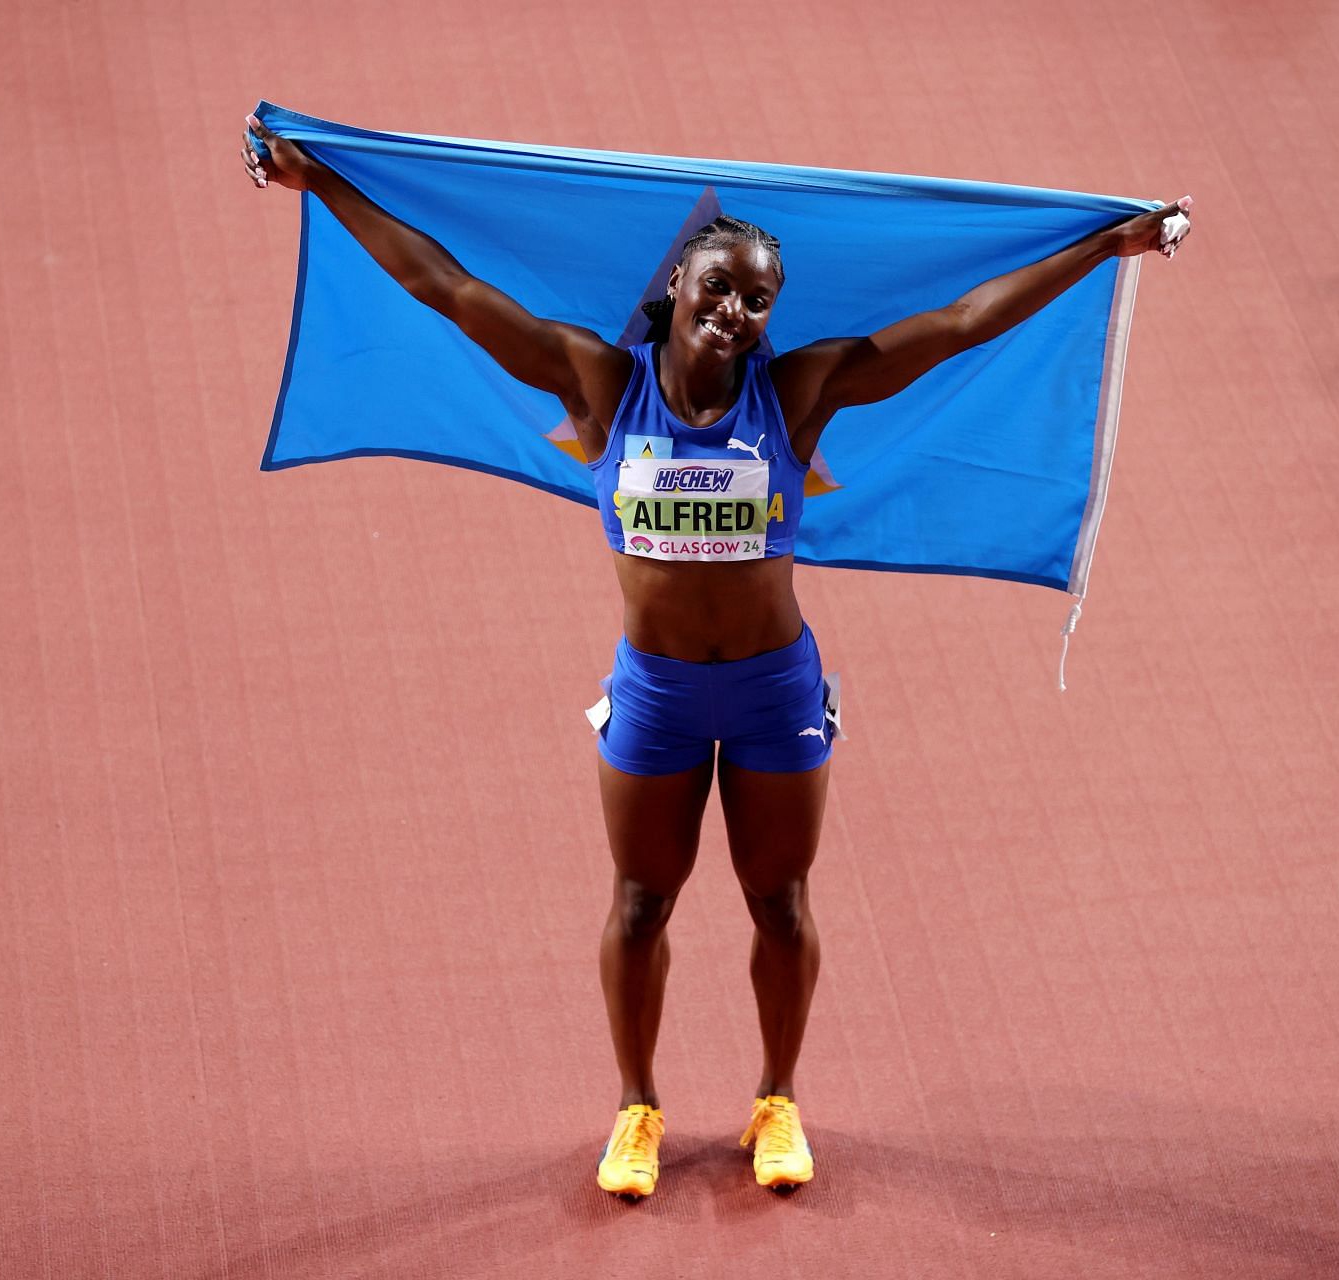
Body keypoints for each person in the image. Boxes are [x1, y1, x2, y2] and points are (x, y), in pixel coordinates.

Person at [242, 114, 1190, 1201]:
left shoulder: (798, 393)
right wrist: (322, 183)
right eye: (720, 288)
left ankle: (776, 1099)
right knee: (642, 898)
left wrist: (1101, 247)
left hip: (771, 689)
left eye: (756, 299)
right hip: (655, 694)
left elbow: (965, 321)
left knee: (779, 898)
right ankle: (636, 1108)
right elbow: (447, 290)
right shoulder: (599, 380)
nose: (736, 313)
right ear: (676, 286)